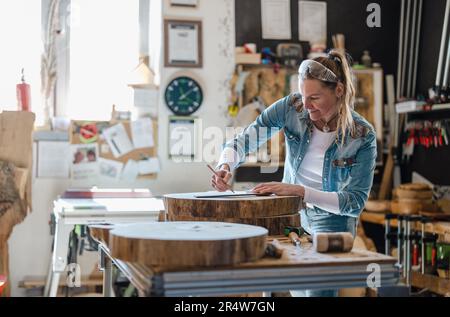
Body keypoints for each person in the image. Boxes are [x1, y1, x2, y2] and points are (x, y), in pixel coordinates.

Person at [211, 49, 377, 297]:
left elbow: (354, 203)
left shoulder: (362, 135)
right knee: (293, 289)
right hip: (291, 215)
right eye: (302, 95)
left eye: (315, 98)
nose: (306, 105)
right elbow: (244, 140)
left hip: (332, 222)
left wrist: (299, 191)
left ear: (339, 90)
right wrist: (226, 165)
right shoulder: (292, 107)